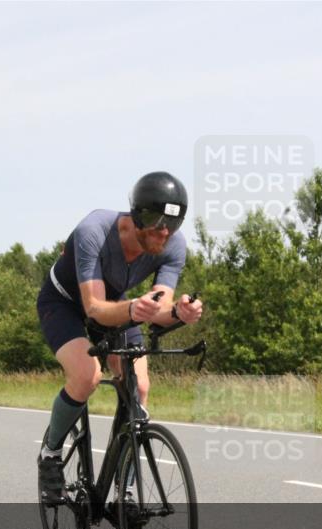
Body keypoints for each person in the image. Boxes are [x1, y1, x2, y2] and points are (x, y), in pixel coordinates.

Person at [36, 171, 203, 502]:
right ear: (137, 216)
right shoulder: (93, 231)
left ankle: (123, 488)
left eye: (175, 222)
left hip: (120, 306)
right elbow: (95, 308)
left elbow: (160, 305)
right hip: (66, 303)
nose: (165, 231)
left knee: (139, 387)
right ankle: (50, 453)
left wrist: (178, 313)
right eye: (157, 221)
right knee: (87, 375)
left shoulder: (173, 246)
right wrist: (134, 310)